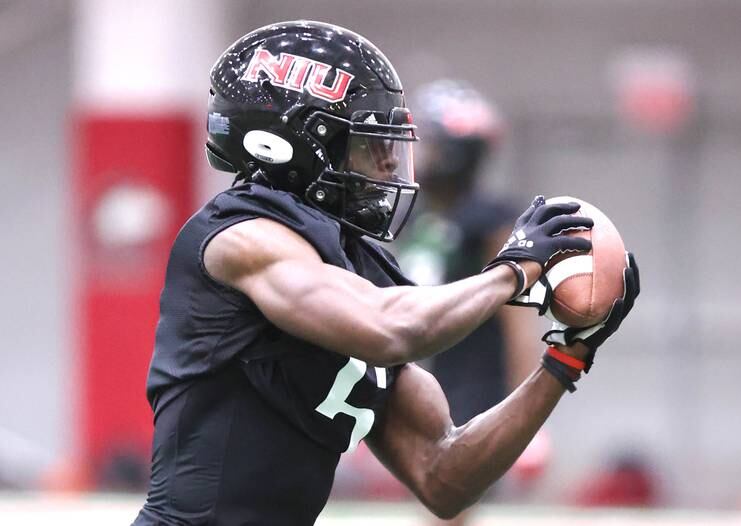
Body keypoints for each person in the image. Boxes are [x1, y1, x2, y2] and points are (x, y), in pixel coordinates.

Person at [132, 20, 640, 526]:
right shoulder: (241, 237)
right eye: (366, 143)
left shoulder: (356, 265)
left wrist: (566, 358)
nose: (388, 164)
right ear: (289, 145)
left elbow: (444, 477)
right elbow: (389, 327)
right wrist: (514, 270)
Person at [395, 80, 547, 524]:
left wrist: (526, 402)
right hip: (423, 368)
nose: (422, 153)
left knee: (448, 503)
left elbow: (518, 317)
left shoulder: (489, 219)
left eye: (433, 143)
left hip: (474, 375)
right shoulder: (415, 214)